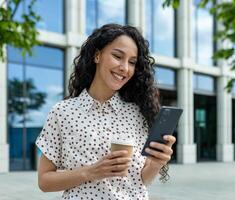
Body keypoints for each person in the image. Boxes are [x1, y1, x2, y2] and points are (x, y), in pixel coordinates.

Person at [35, 23, 176, 200]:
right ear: (97, 55)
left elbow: (139, 181)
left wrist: (155, 164)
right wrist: (91, 172)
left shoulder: (138, 113)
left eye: (132, 62)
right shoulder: (63, 112)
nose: (125, 68)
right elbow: (44, 181)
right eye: (118, 56)